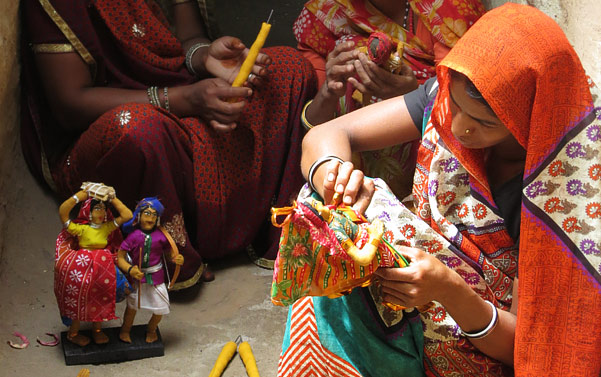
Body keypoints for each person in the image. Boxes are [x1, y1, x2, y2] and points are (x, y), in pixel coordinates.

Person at [278, 3, 601, 376]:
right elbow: (329, 134)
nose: (459, 128)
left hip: (478, 343)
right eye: (455, 105)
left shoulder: (561, 193)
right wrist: (333, 174)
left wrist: (447, 289)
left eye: (483, 122)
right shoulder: (448, 100)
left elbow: (526, 349)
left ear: (533, 118)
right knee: (323, 205)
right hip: (420, 295)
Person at [21, 0, 317, 288]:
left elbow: (185, 42)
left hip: (182, 97)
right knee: (138, 130)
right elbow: (70, 105)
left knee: (290, 69)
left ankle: (265, 231)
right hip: (114, 126)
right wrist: (184, 100)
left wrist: (204, 58)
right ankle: (173, 257)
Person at [294, 0, 485, 198]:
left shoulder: (446, 9)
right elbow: (312, 126)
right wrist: (329, 91)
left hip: (435, 154)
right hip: (351, 173)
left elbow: (468, 96)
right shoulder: (323, 15)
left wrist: (415, 93)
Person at [56, 185, 133, 346]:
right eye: (97, 208)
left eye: (103, 209)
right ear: (89, 212)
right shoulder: (81, 229)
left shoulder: (106, 227)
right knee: (80, 300)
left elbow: (127, 215)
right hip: (82, 268)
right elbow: (63, 211)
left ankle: (97, 331)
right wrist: (80, 196)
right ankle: (73, 333)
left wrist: (112, 198)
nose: (101, 212)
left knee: (100, 299)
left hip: (103, 269)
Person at [117, 197, 183, 343]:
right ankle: (125, 330)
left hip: (156, 277)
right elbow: (119, 257)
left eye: (154, 214)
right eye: (147, 213)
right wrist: (129, 269)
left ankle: (151, 330)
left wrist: (177, 258)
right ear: (139, 216)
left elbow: (170, 252)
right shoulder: (134, 236)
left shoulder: (161, 236)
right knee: (132, 306)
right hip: (137, 277)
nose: (151, 218)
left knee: (161, 307)